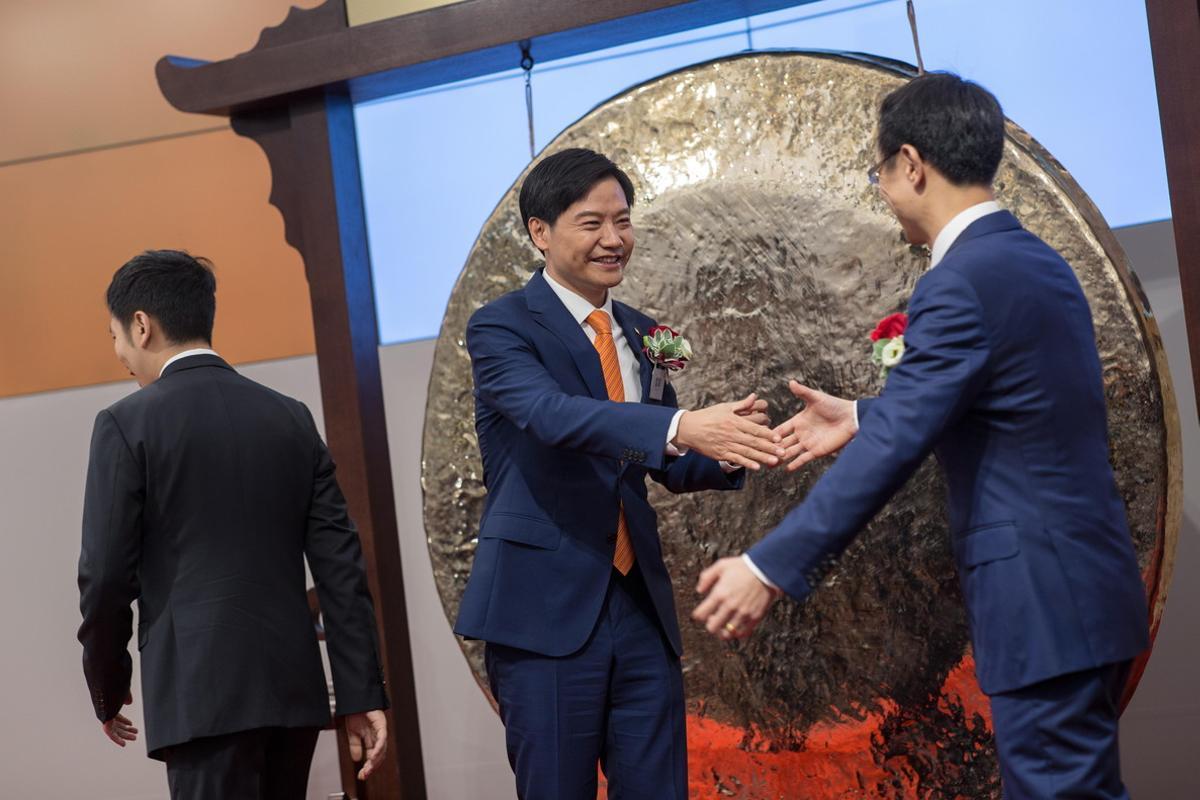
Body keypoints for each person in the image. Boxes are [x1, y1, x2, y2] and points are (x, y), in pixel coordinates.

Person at [693, 73, 1149, 799]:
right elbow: (1011, 401)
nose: (881, 190)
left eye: (879, 173)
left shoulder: (960, 280)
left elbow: (898, 447)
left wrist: (769, 565)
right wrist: (863, 412)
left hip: (1041, 604)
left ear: (911, 164)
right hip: (1083, 591)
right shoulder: (1036, 262)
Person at [455, 148, 784, 799]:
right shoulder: (500, 326)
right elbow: (552, 416)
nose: (613, 239)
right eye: (591, 223)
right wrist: (681, 427)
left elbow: (661, 456)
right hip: (543, 609)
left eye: (623, 220)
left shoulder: (650, 333)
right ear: (540, 232)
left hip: (639, 609)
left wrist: (730, 449)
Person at [77, 250, 389, 800]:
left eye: (115, 337)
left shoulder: (126, 424)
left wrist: (108, 682)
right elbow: (342, 568)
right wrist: (362, 692)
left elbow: (105, 577)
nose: (121, 356)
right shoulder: (290, 417)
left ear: (142, 326)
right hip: (292, 691)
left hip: (201, 695)